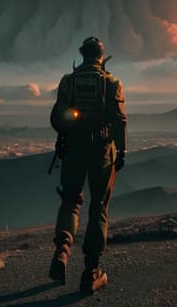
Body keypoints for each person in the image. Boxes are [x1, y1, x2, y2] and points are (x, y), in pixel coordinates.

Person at [48, 36, 127, 293]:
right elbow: (119, 121)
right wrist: (122, 152)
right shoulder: (111, 83)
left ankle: (62, 251)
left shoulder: (68, 82)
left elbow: (56, 118)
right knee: (98, 207)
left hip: (72, 151)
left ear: (82, 56)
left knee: (70, 201)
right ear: (102, 57)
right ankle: (91, 270)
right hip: (101, 152)